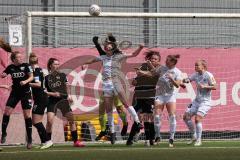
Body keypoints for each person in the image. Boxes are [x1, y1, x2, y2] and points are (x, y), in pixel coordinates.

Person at [83, 40, 144, 144]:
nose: (107, 47)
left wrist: (140, 48)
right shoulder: (103, 57)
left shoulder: (119, 56)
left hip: (116, 82)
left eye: (109, 46)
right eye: (106, 46)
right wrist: (85, 63)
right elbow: (92, 60)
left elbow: (134, 54)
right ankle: (112, 133)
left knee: (125, 103)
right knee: (108, 110)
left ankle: (137, 122)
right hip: (106, 84)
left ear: (113, 48)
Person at [44, 58, 85, 147]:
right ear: (50, 65)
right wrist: (53, 94)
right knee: (49, 121)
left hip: (63, 101)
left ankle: (76, 142)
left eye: (58, 64)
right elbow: (44, 91)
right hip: (52, 101)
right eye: (55, 64)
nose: (57, 66)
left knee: (71, 120)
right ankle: (48, 141)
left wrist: (69, 96)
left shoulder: (62, 75)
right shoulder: (46, 78)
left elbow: (67, 86)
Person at [126, 51, 160, 146]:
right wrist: (134, 81)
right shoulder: (143, 66)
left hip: (149, 96)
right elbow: (137, 77)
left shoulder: (159, 68)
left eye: (155, 59)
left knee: (148, 118)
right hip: (138, 95)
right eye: (152, 58)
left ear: (158, 62)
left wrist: (142, 72)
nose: (153, 60)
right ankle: (130, 139)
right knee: (137, 118)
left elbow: (154, 75)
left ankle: (150, 139)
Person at [1, 51, 33, 149]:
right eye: (18, 57)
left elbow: (31, 77)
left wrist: (25, 81)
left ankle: (30, 140)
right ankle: (4, 134)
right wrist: (3, 75)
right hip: (15, 93)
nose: (21, 58)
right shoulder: (11, 67)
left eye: (21, 56)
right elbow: (3, 74)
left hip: (26, 93)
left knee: (27, 115)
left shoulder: (26, 66)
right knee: (6, 113)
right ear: (14, 59)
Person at [183, 59, 216, 146]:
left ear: (203, 66)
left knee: (197, 119)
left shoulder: (208, 75)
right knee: (186, 117)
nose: (195, 67)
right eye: (195, 65)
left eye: (197, 65)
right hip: (196, 101)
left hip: (205, 102)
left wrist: (205, 86)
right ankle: (193, 135)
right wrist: (183, 80)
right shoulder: (196, 74)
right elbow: (188, 79)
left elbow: (215, 86)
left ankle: (199, 140)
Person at [28, 53, 52, 149]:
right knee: (36, 121)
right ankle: (43, 141)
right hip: (40, 98)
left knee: (36, 121)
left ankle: (47, 140)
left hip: (41, 98)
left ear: (30, 62)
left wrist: (26, 83)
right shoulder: (39, 70)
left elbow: (38, 84)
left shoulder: (36, 70)